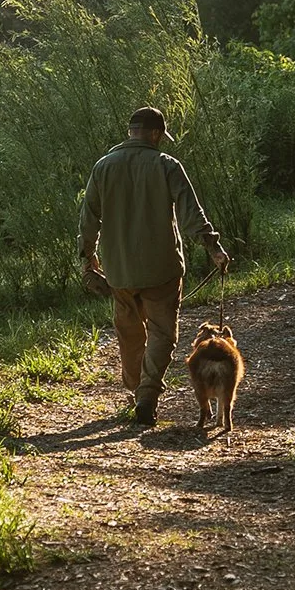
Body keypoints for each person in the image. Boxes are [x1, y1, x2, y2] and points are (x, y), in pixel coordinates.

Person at [79, 105, 231, 427]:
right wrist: (213, 247)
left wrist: (87, 257)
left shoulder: (102, 167)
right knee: (162, 333)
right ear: (155, 134)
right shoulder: (166, 165)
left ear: (131, 132)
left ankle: (137, 389)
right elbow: (192, 212)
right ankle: (146, 395)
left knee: (129, 333)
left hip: (119, 270)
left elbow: (89, 216)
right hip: (161, 268)